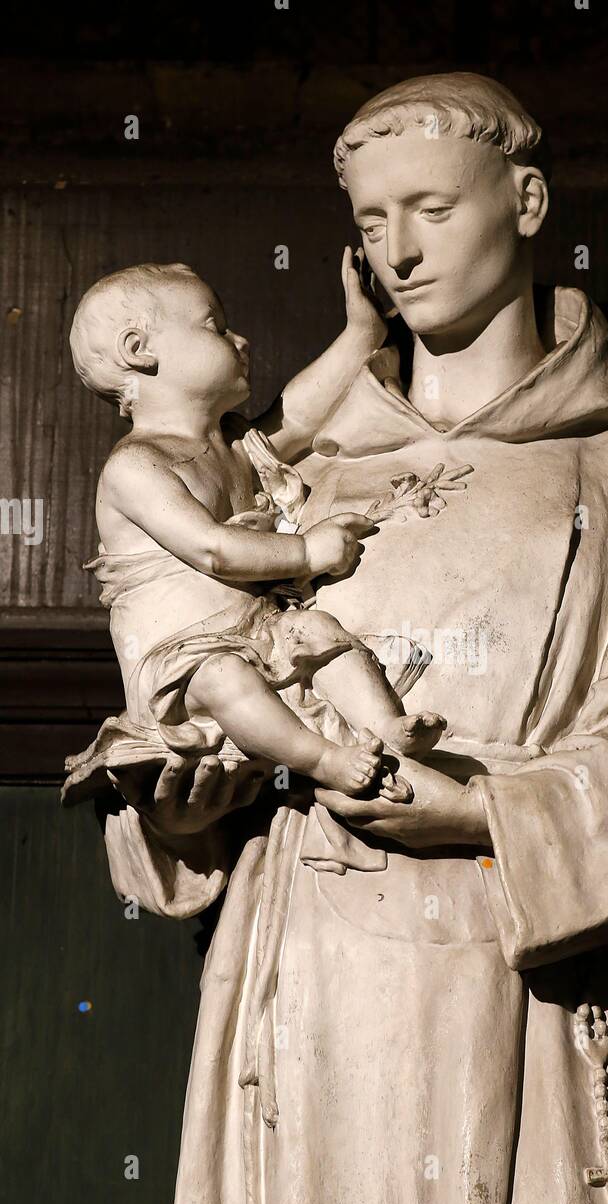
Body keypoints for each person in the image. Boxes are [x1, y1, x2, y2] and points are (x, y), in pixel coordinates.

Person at [83, 73, 608, 1204]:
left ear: (527, 202)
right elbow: (190, 701)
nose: (396, 252)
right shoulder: (295, 472)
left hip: (510, 981)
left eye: (430, 209)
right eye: (371, 222)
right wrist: (179, 808)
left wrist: (491, 815)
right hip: (300, 994)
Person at [65, 252, 446, 805]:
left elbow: (304, 415)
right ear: (138, 351)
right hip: (185, 665)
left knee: (326, 637)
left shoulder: (236, 446)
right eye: (214, 327)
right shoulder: (136, 467)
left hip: (260, 634)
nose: (240, 339)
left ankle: (385, 728)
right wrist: (308, 551)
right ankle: (327, 759)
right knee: (227, 681)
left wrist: (364, 331)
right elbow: (213, 550)